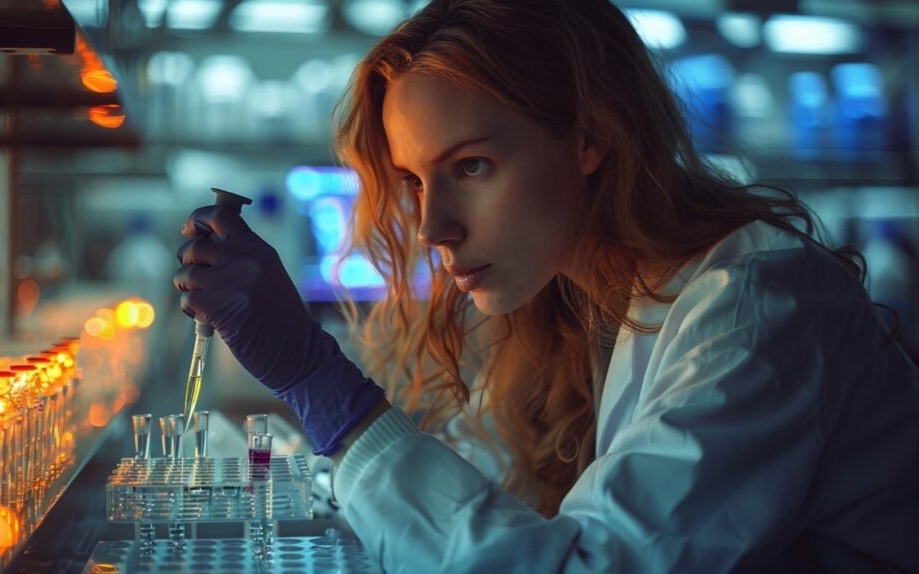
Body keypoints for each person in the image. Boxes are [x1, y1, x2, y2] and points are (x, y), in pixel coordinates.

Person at [173, 0, 919, 571]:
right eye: (413, 180)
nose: (433, 228)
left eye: (470, 167)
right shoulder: (579, 300)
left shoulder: (756, 305)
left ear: (593, 133)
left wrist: (318, 381)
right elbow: (477, 503)